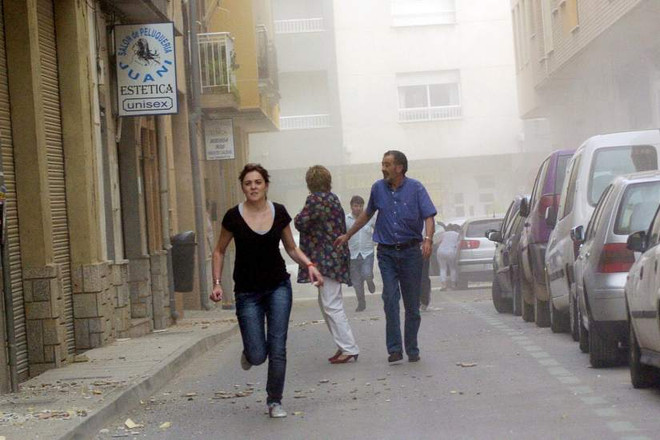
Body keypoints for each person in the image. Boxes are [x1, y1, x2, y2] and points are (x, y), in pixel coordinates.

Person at [210, 163, 323, 419]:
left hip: (278, 287)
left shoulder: (279, 212)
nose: (253, 187)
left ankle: (275, 401)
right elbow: (219, 251)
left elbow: (292, 248)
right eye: (248, 183)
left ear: (266, 185)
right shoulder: (233, 217)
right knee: (258, 354)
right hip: (247, 292)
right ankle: (250, 352)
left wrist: (310, 265)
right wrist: (216, 282)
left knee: (278, 346)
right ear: (243, 188)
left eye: (258, 182)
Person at [335, 150, 436, 363]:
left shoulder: (416, 188)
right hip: (386, 253)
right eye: (382, 164)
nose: (383, 168)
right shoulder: (378, 188)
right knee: (390, 298)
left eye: (387, 164)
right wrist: (348, 235)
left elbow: (429, 216)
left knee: (412, 304)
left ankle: (412, 348)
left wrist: (428, 239)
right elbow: (366, 215)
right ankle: (395, 349)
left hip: (411, 252)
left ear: (399, 167)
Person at [295, 165, 359, 364]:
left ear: (310, 182)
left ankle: (349, 347)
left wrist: (298, 215)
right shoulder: (333, 199)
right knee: (327, 303)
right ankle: (343, 345)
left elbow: (300, 222)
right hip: (336, 256)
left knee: (331, 304)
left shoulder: (314, 200)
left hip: (324, 258)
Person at [346, 195, 376, 312]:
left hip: (367, 252)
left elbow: (378, 228)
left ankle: (370, 281)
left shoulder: (369, 217)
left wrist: (377, 239)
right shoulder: (346, 219)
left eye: (360, 206)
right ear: (351, 206)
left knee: (367, 273)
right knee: (357, 282)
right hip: (353, 254)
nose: (358, 208)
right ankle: (361, 302)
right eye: (355, 206)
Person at [436, 224, 460, 290]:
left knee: (442, 268)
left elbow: (437, 243)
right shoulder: (457, 235)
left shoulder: (443, 234)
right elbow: (458, 244)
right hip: (451, 252)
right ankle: (453, 285)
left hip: (440, 251)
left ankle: (443, 285)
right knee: (452, 268)